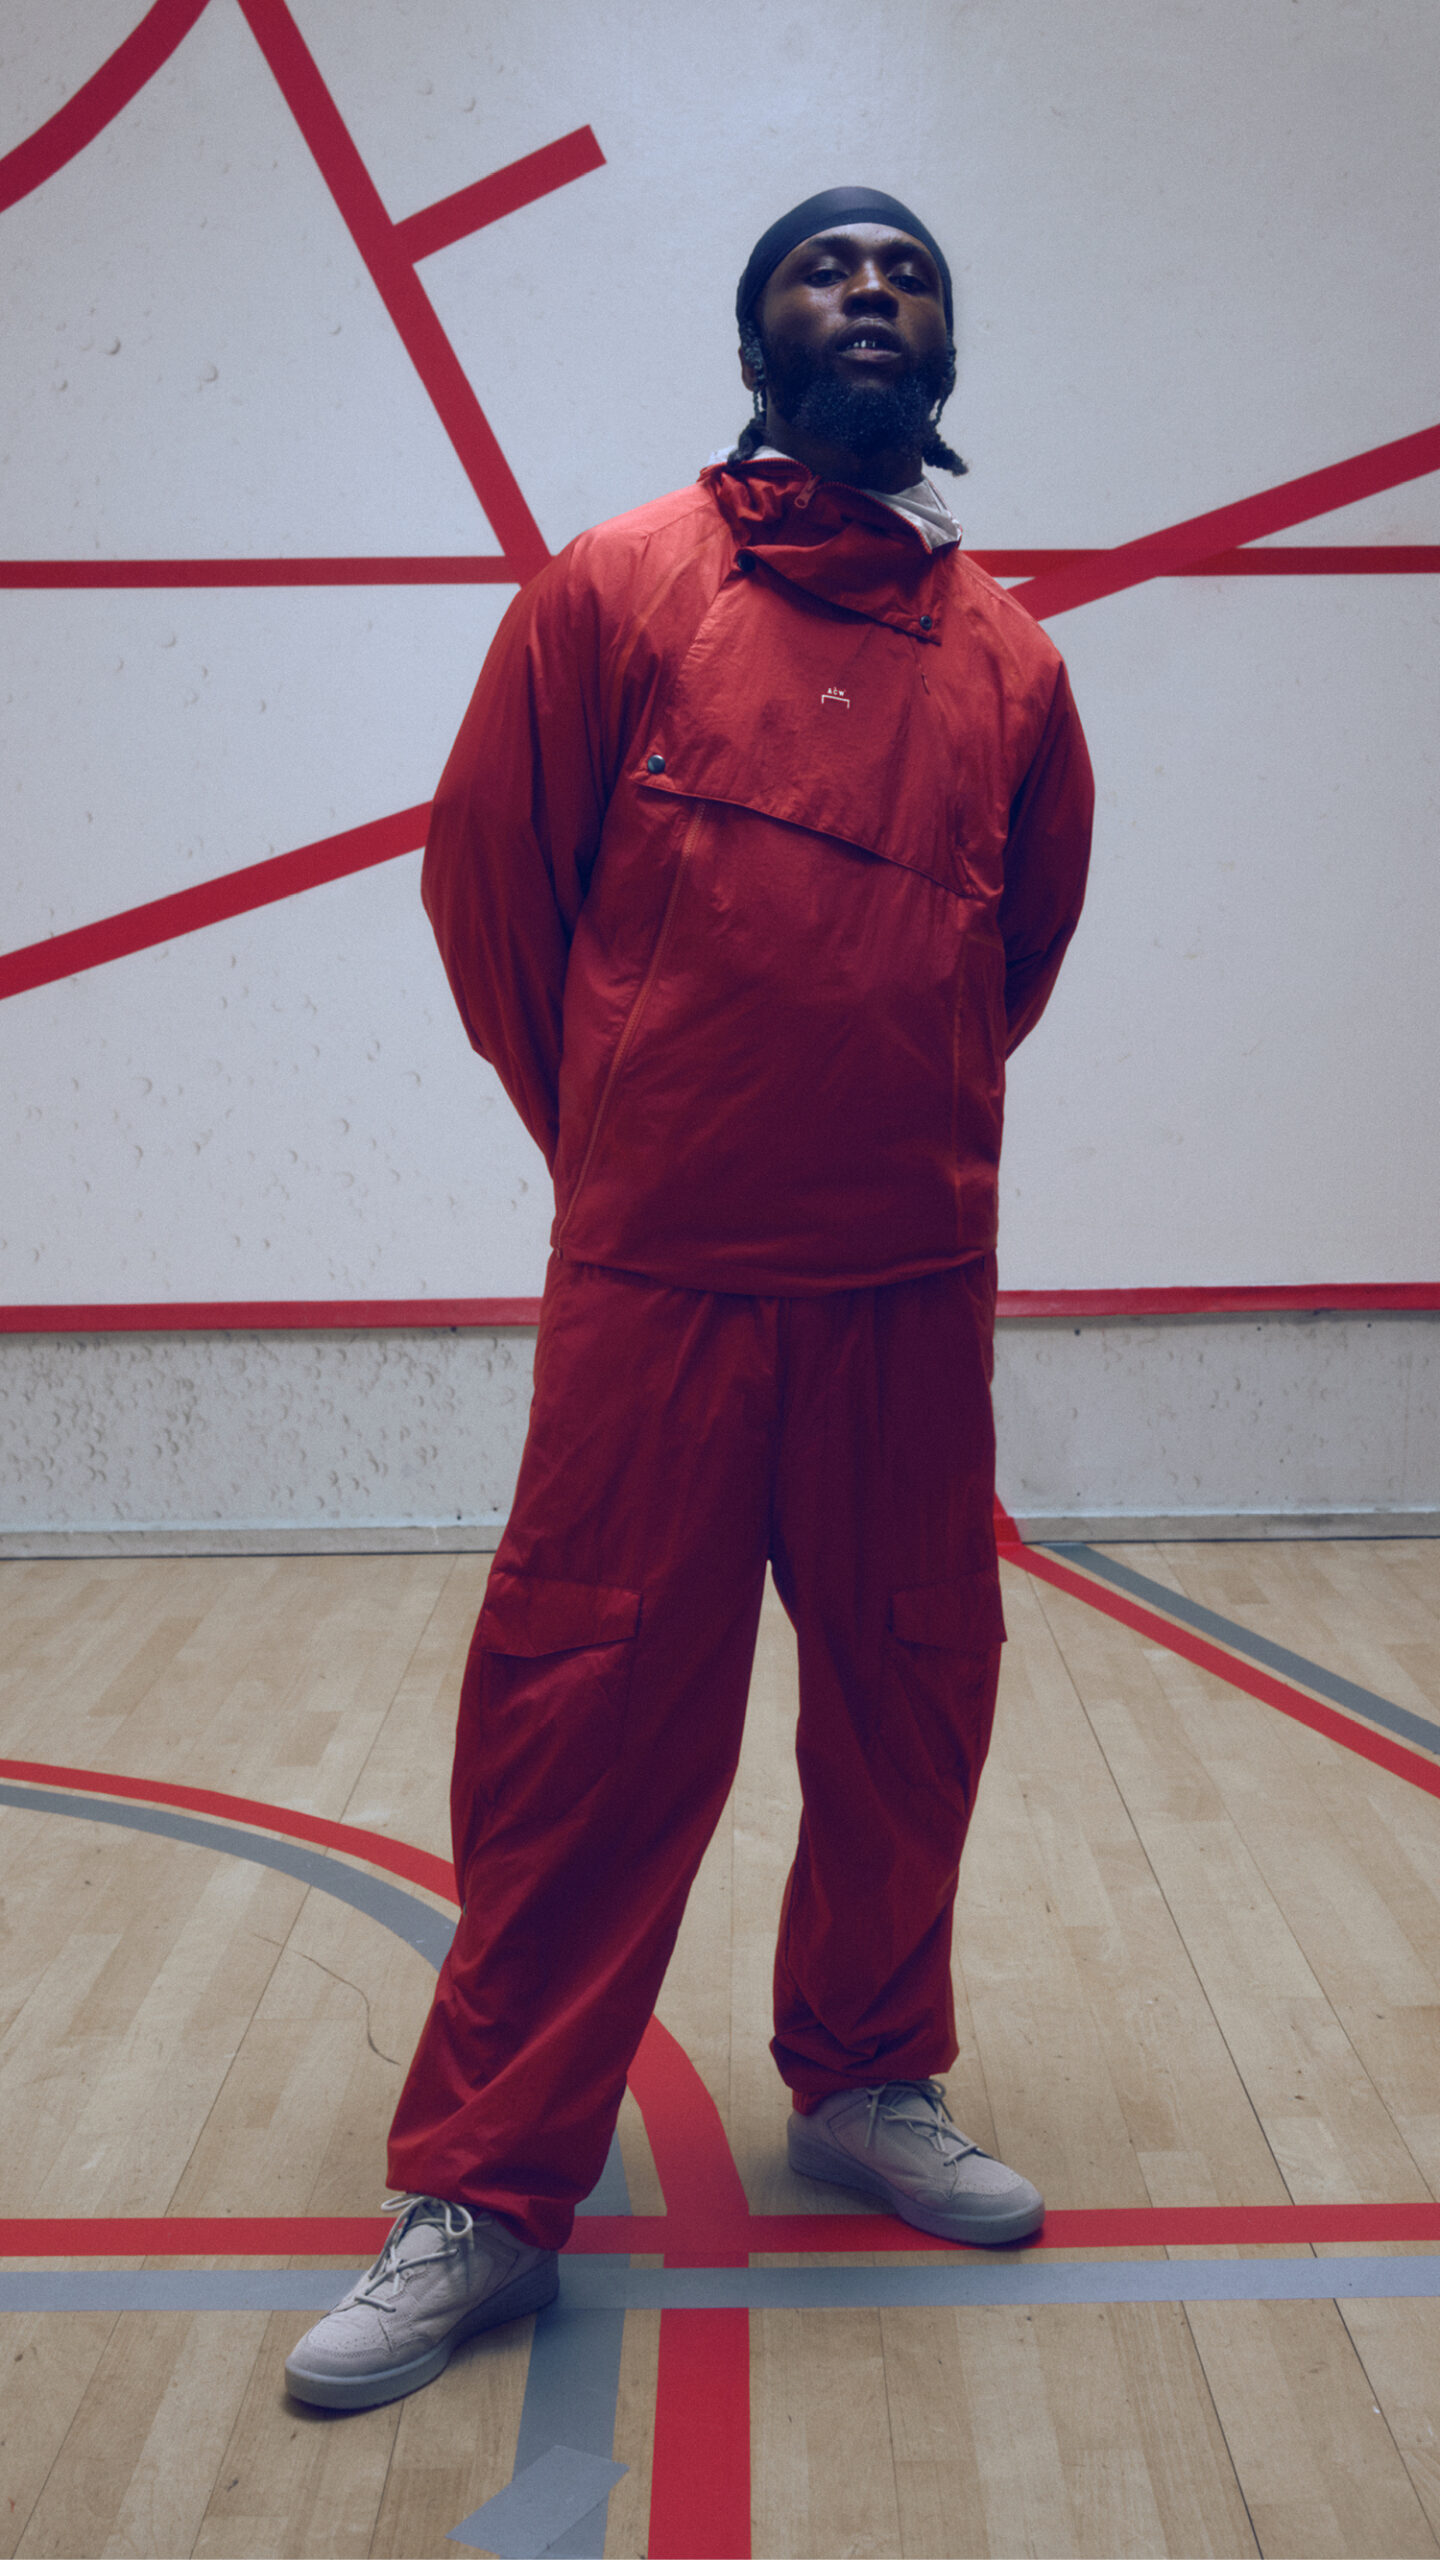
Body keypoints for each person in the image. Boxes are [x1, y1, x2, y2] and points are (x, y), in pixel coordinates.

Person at [284, 185, 1093, 2412]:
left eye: (910, 272)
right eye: (829, 268)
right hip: (658, 1287)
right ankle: (486, 2190)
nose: (872, 292)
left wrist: (873, 1117)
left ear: (945, 351)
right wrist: (637, 1138)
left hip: (907, 1286)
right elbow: (490, 890)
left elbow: (1013, 953)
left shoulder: (1015, 665)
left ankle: (866, 2079)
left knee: (914, 1694)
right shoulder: (616, 588)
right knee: (581, 1727)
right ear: (757, 338)